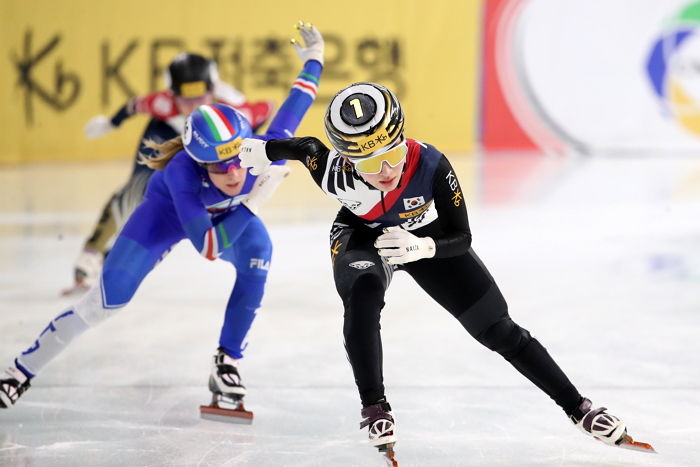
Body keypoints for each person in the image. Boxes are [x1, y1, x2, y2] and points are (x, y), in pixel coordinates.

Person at [237, 82, 654, 458]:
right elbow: (306, 147)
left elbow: (463, 237)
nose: (384, 172)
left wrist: (423, 246)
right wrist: (262, 149)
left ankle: (578, 407)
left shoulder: (431, 165)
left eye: (392, 155)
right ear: (347, 161)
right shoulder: (331, 171)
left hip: (427, 239)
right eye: (368, 165)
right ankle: (375, 406)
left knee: (498, 329)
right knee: (362, 297)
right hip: (363, 237)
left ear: (403, 139)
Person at [0, 22, 324, 417]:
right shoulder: (181, 175)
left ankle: (228, 362)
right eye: (220, 169)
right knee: (102, 305)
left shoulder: (261, 151)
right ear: (201, 166)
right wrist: (255, 201)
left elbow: (297, 101)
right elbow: (208, 247)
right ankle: (20, 370)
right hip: (165, 219)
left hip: (222, 216)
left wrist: (314, 60)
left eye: (238, 160)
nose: (235, 174)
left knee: (259, 252)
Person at [65, 52, 276, 295]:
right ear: (171, 94)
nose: (193, 106)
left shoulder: (236, 108)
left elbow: (268, 108)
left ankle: (114, 253)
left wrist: (246, 145)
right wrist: (109, 124)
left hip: (211, 139)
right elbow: (133, 106)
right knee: (137, 188)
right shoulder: (162, 104)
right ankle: (92, 253)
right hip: (166, 133)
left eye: (200, 98)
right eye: (185, 102)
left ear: (214, 90)